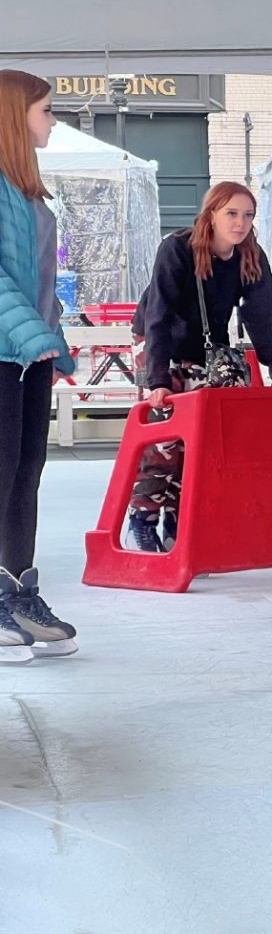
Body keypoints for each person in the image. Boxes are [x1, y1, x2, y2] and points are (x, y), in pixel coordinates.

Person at [129, 182, 272, 552]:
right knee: (165, 439)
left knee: (206, 440)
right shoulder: (178, 248)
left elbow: (264, 316)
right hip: (162, 343)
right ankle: (144, 516)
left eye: (248, 215)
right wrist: (158, 378)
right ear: (212, 214)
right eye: (231, 213)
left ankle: (180, 519)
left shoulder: (250, 255)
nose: (240, 223)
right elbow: (158, 314)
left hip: (209, 352)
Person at [0, 69, 79, 661]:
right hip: (6, 352)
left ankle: (18, 592)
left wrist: (53, 339)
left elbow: (41, 283)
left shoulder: (28, 194)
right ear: (14, 114)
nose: (53, 120)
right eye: (47, 110)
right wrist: (31, 334)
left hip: (29, 358)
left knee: (26, 471)